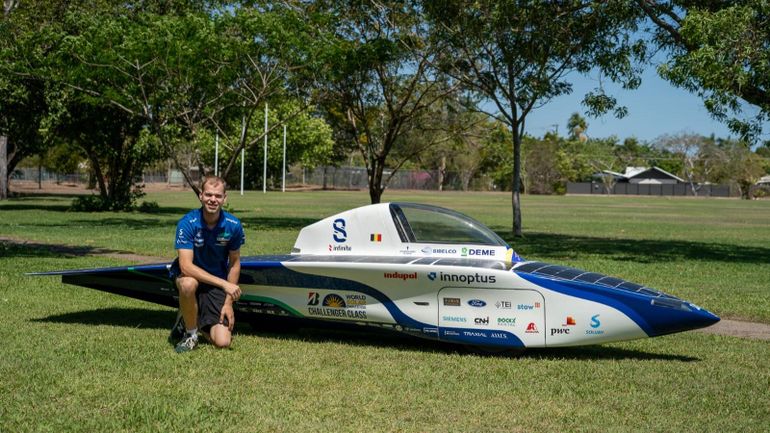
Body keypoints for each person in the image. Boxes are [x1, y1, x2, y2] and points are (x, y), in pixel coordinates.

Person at [169, 175, 245, 353]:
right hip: (189, 277)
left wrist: (228, 303)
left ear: (224, 198)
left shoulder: (233, 225)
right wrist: (224, 284)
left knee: (223, 342)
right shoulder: (187, 223)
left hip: (215, 283)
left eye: (218, 196)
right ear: (201, 196)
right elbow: (186, 266)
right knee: (188, 284)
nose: (213, 199)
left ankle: (187, 317)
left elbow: (234, 264)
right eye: (209, 195)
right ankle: (190, 335)